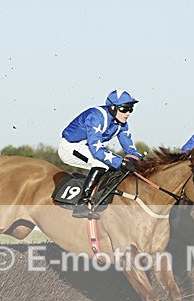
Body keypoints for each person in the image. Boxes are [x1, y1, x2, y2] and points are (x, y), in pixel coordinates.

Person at [58, 89, 143, 219]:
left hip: (86, 148)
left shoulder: (121, 123)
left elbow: (129, 147)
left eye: (131, 109)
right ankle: (82, 204)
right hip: (70, 147)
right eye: (124, 109)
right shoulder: (96, 117)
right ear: (113, 108)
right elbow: (96, 150)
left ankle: (101, 199)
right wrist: (122, 163)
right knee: (102, 163)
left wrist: (138, 160)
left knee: (116, 165)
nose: (128, 113)